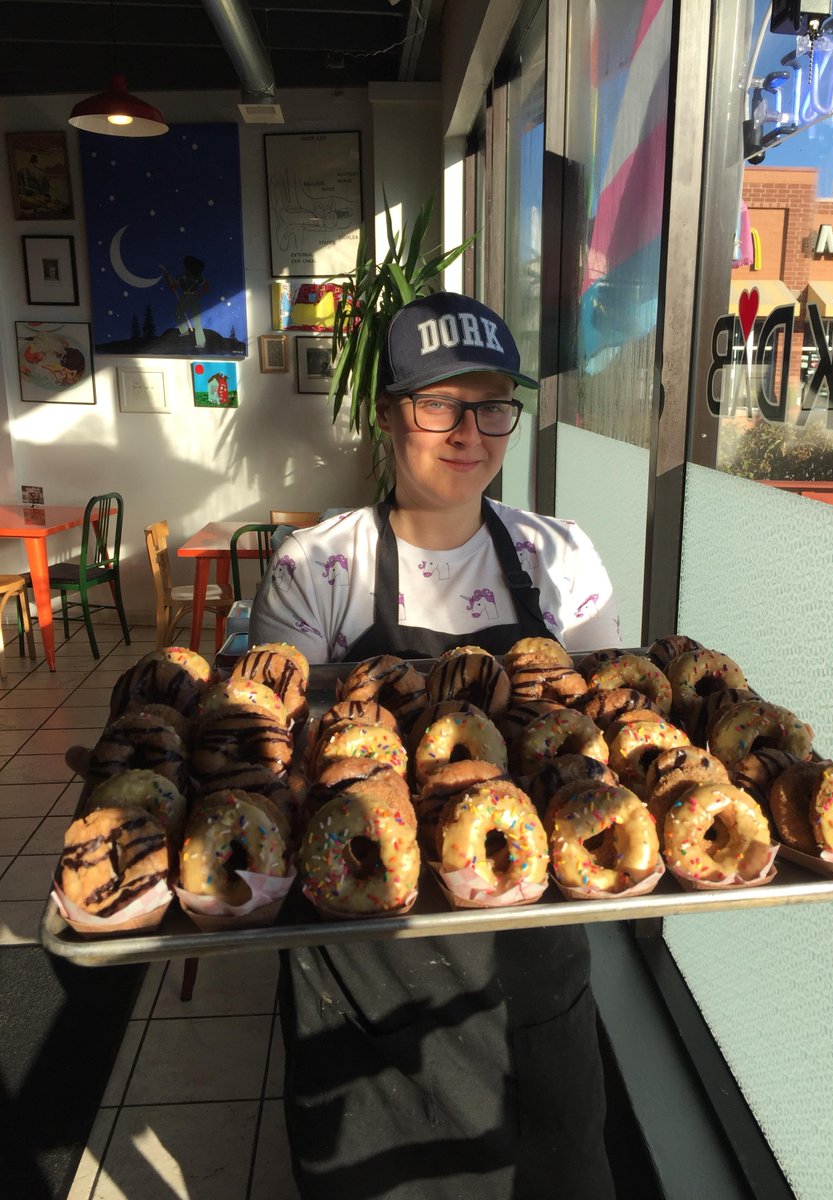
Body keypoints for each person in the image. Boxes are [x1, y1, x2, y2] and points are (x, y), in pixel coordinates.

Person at [250, 292, 620, 1200]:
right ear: (387, 416)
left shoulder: (559, 560)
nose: (470, 432)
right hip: (365, 951)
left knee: (559, 1171)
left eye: (493, 404)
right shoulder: (316, 569)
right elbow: (263, 749)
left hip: (531, 953)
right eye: (437, 403)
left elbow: (607, 733)